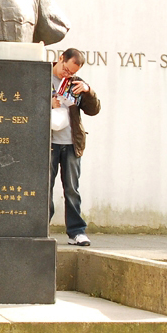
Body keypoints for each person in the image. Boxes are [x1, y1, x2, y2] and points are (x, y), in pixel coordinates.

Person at [49, 48, 100, 247]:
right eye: (65, 69)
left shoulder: (75, 83)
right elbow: (25, 104)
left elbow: (94, 110)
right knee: (44, 188)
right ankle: (41, 229)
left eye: (71, 72)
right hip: (48, 143)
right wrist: (48, 103)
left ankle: (76, 232)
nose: (67, 74)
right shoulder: (41, 76)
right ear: (61, 58)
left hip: (71, 143)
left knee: (72, 189)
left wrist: (88, 91)